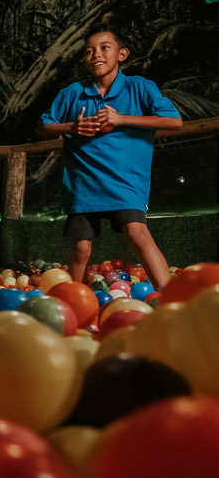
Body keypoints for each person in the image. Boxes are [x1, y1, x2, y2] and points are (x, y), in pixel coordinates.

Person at [38, 25, 182, 289]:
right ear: (84, 59)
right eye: (89, 51)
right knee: (81, 248)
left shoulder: (141, 87)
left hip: (126, 183)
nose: (97, 55)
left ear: (122, 54)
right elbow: (44, 125)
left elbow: (174, 121)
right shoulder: (72, 93)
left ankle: (169, 296)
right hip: (83, 185)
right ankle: (75, 300)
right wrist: (72, 127)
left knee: (137, 233)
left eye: (105, 47)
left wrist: (121, 119)